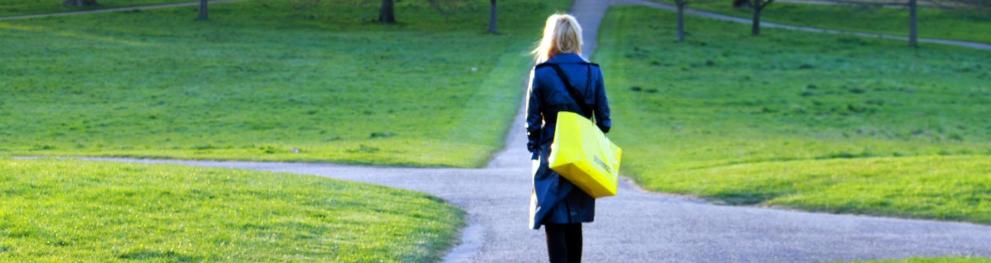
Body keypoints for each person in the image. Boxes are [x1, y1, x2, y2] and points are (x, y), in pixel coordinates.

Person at [525, 13, 611, 263]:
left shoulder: (541, 73)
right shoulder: (593, 72)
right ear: (576, 38)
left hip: (551, 152)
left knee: (554, 220)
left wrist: (536, 148)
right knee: (575, 221)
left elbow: (531, 122)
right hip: (582, 152)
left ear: (550, 38)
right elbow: (604, 121)